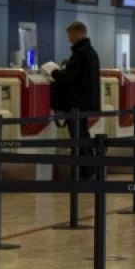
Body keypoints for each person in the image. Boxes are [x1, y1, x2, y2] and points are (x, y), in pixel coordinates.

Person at [48, 21, 101, 180]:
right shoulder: (91, 52)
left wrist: (54, 72)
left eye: (70, 35)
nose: (69, 39)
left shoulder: (81, 53)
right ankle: (89, 170)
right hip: (86, 102)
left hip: (77, 104)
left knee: (78, 137)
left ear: (79, 33)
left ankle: (84, 172)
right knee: (83, 135)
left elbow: (69, 77)